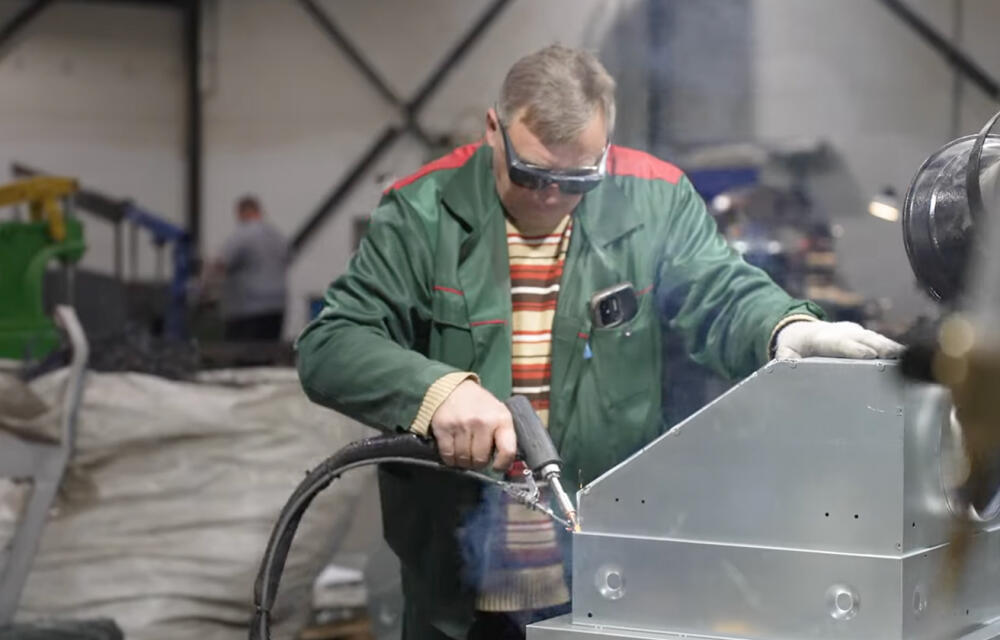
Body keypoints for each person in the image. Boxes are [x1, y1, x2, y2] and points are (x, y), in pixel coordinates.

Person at [296, 45, 902, 639]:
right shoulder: (421, 211)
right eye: (532, 174)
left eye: (577, 179)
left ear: (605, 149)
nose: (552, 196)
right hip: (454, 584)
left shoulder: (655, 198)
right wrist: (435, 392)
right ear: (493, 130)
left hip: (609, 571)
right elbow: (332, 342)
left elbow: (719, 290)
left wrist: (786, 327)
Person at [212, 195, 289, 341]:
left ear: (242, 212)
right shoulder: (277, 235)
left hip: (247, 309)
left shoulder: (242, 234)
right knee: (270, 349)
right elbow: (288, 258)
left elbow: (222, 263)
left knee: (244, 352)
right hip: (277, 305)